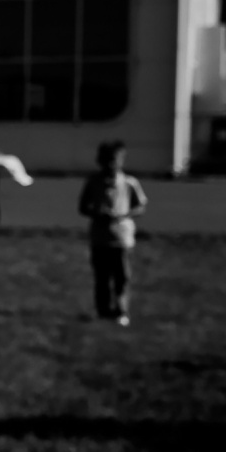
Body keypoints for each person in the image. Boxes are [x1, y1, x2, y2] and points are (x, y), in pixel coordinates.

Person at [78, 139, 149, 325]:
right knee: (101, 276)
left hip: (122, 237)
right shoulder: (93, 182)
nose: (111, 164)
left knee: (121, 276)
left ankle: (120, 310)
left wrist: (124, 214)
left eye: (115, 159)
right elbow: (83, 207)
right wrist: (97, 213)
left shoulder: (129, 182)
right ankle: (102, 310)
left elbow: (140, 206)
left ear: (121, 160)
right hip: (100, 237)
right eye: (107, 159)